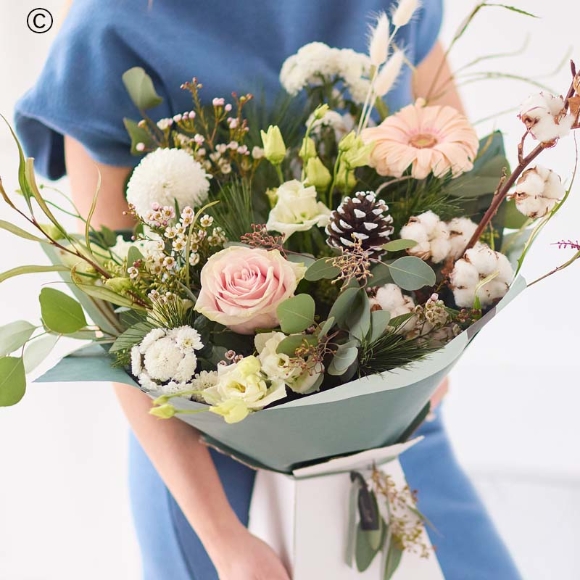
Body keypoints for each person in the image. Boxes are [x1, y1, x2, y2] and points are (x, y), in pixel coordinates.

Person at [14, 1, 522, 578]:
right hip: (208, 454)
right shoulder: (111, 29)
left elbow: (465, 193)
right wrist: (224, 540)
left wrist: (433, 347)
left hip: (389, 417)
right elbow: (121, 318)